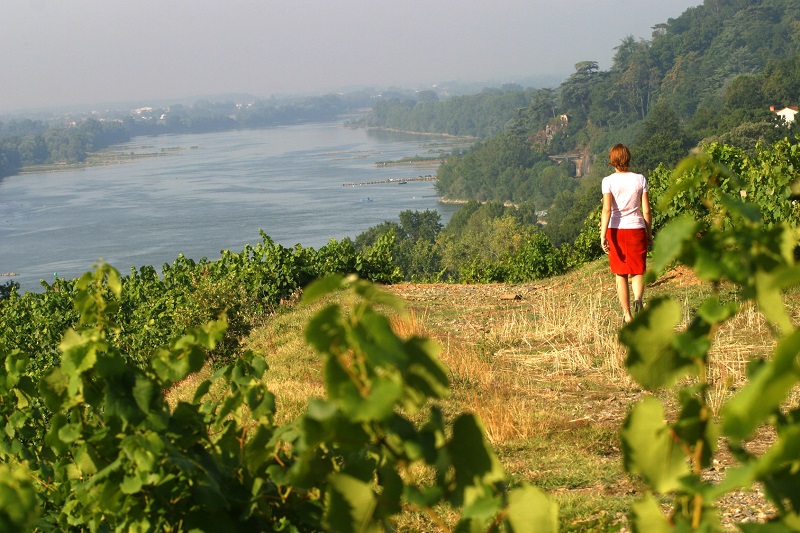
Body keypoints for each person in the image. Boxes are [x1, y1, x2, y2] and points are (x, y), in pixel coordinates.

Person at [599, 144, 652, 324]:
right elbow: (646, 210)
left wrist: (603, 235)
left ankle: (627, 314)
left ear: (612, 160)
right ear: (628, 158)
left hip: (616, 229)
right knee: (638, 270)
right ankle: (638, 299)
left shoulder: (608, 181)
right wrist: (649, 232)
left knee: (620, 273)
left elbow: (607, 210)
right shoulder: (640, 179)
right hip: (637, 228)